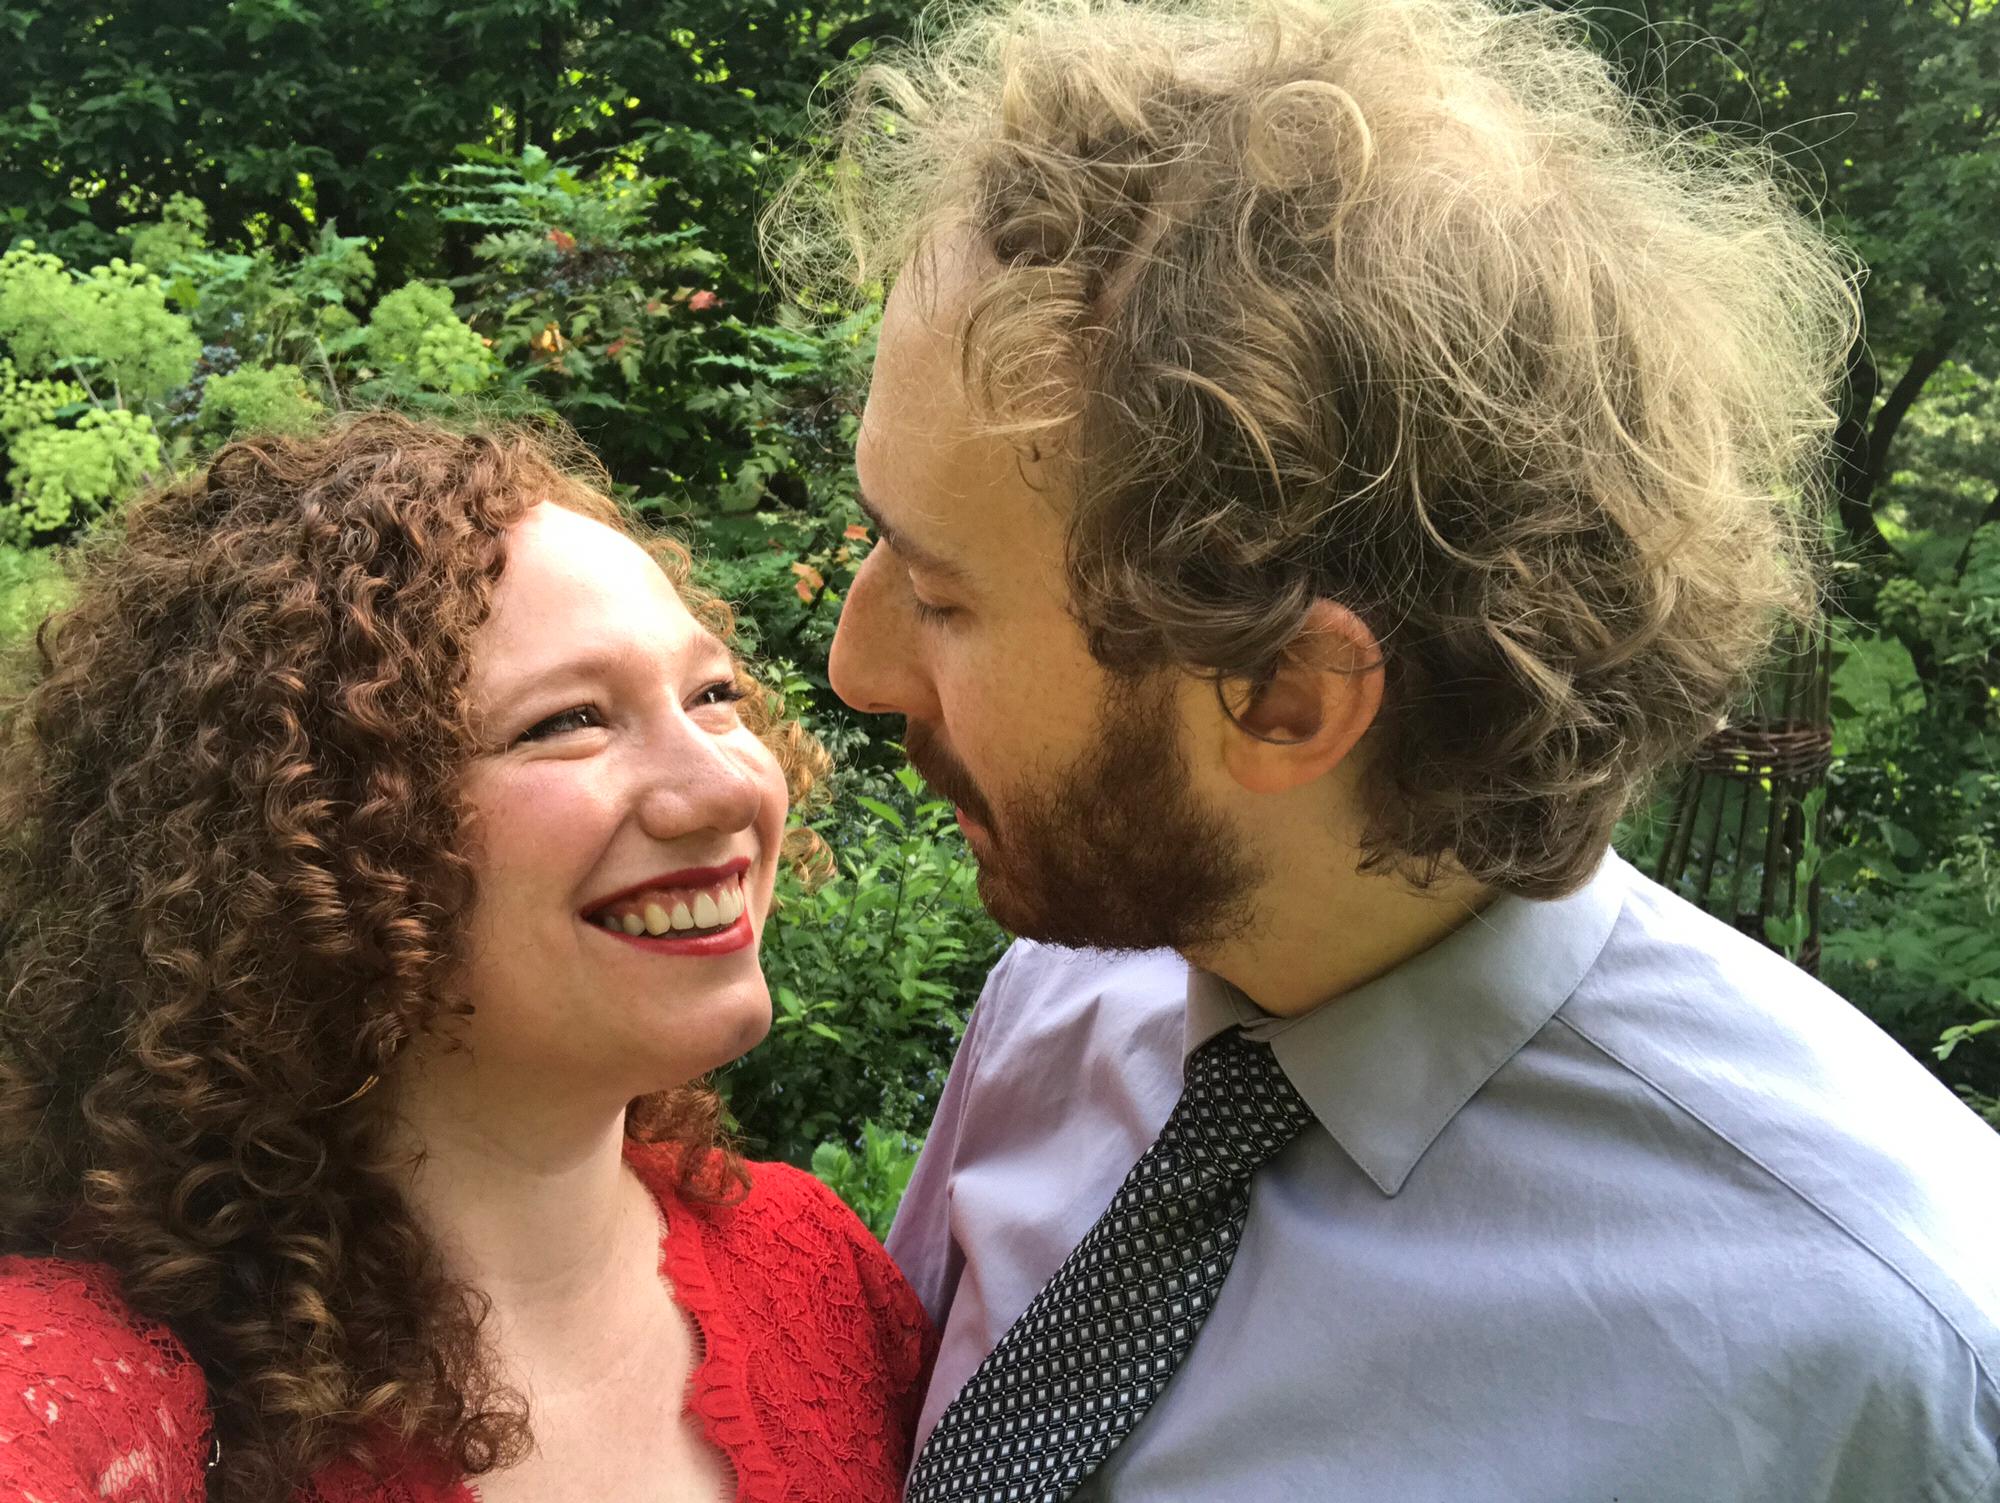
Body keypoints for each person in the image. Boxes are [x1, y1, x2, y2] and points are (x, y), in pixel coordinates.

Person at [771, 0, 2000, 1497]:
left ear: (1286, 700)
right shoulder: (1058, 1001)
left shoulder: (1889, 1348)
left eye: (940, 595)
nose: (854, 665)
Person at [0, 414, 934, 1503]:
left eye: (713, 695)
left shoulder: (812, 1268)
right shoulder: (87, 1390)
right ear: (308, 833)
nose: (728, 787)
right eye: (569, 720)